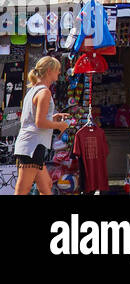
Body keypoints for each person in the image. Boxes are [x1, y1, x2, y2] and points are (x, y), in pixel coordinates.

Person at [15, 56, 73, 195]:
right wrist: (59, 125)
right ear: (49, 71)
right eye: (58, 70)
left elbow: (30, 119)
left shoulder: (33, 90)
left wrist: (52, 118)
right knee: (23, 189)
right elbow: (39, 123)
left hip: (31, 144)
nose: (59, 73)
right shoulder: (44, 92)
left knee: (46, 186)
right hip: (32, 146)